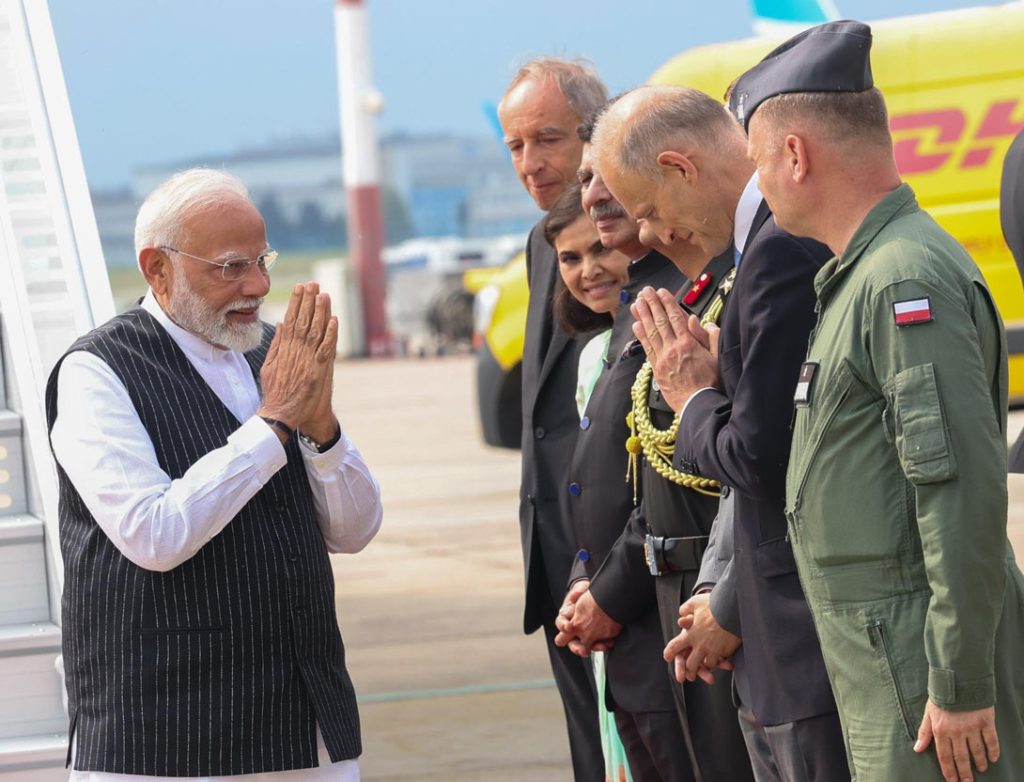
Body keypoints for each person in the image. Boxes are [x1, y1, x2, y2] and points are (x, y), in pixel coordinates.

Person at [735, 20, 1024, 782]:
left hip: (921, 679)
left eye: (758, 163)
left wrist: (959, 685)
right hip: (890, 662)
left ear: (794, 155)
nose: (758, 186)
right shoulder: (864, 275)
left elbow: (956, 489)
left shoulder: (900, 281)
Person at [46, 168, 383, 780]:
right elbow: (155, 535)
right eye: (230, 267)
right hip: (167, 737)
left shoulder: (273, 351)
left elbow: (354, 531)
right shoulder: (97, 372)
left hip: (304, 723)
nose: (257, 285)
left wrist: (320, 425)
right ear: (157, 269)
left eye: (262, 260)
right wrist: (275, 420)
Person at [592, 85, 846, 782]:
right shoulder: (758, 250)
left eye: (647, 209)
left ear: (680, 167)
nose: (647, 234)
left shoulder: (774, 253)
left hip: (797, 640)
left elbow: (765, 460)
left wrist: (695, 395)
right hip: (765, 629)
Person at [556, 117, 753, 782]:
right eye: (584, 180)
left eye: (605, 176)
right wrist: (587, 581)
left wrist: (611, 590)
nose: (594, 195)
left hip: (694, 600)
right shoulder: (644, 303)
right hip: (653, 610)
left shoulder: (693, 291)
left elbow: (709, 473)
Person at [547, 171, 696, 780]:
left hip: (659, 614)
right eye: (570, 257)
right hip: (614, 622)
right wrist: (584, 583)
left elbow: (672, 484)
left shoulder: (669, 324)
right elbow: (594, 490)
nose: (589, 269)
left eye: (600, 246)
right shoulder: (607, 344)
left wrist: (604, 594)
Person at [497, 57, 608, 780]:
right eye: (515, 147)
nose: (531, 164)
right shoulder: (546, 244)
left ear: (595, 135)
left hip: (615, 559)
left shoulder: (633, 244)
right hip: (557, 559)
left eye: (548, 139)